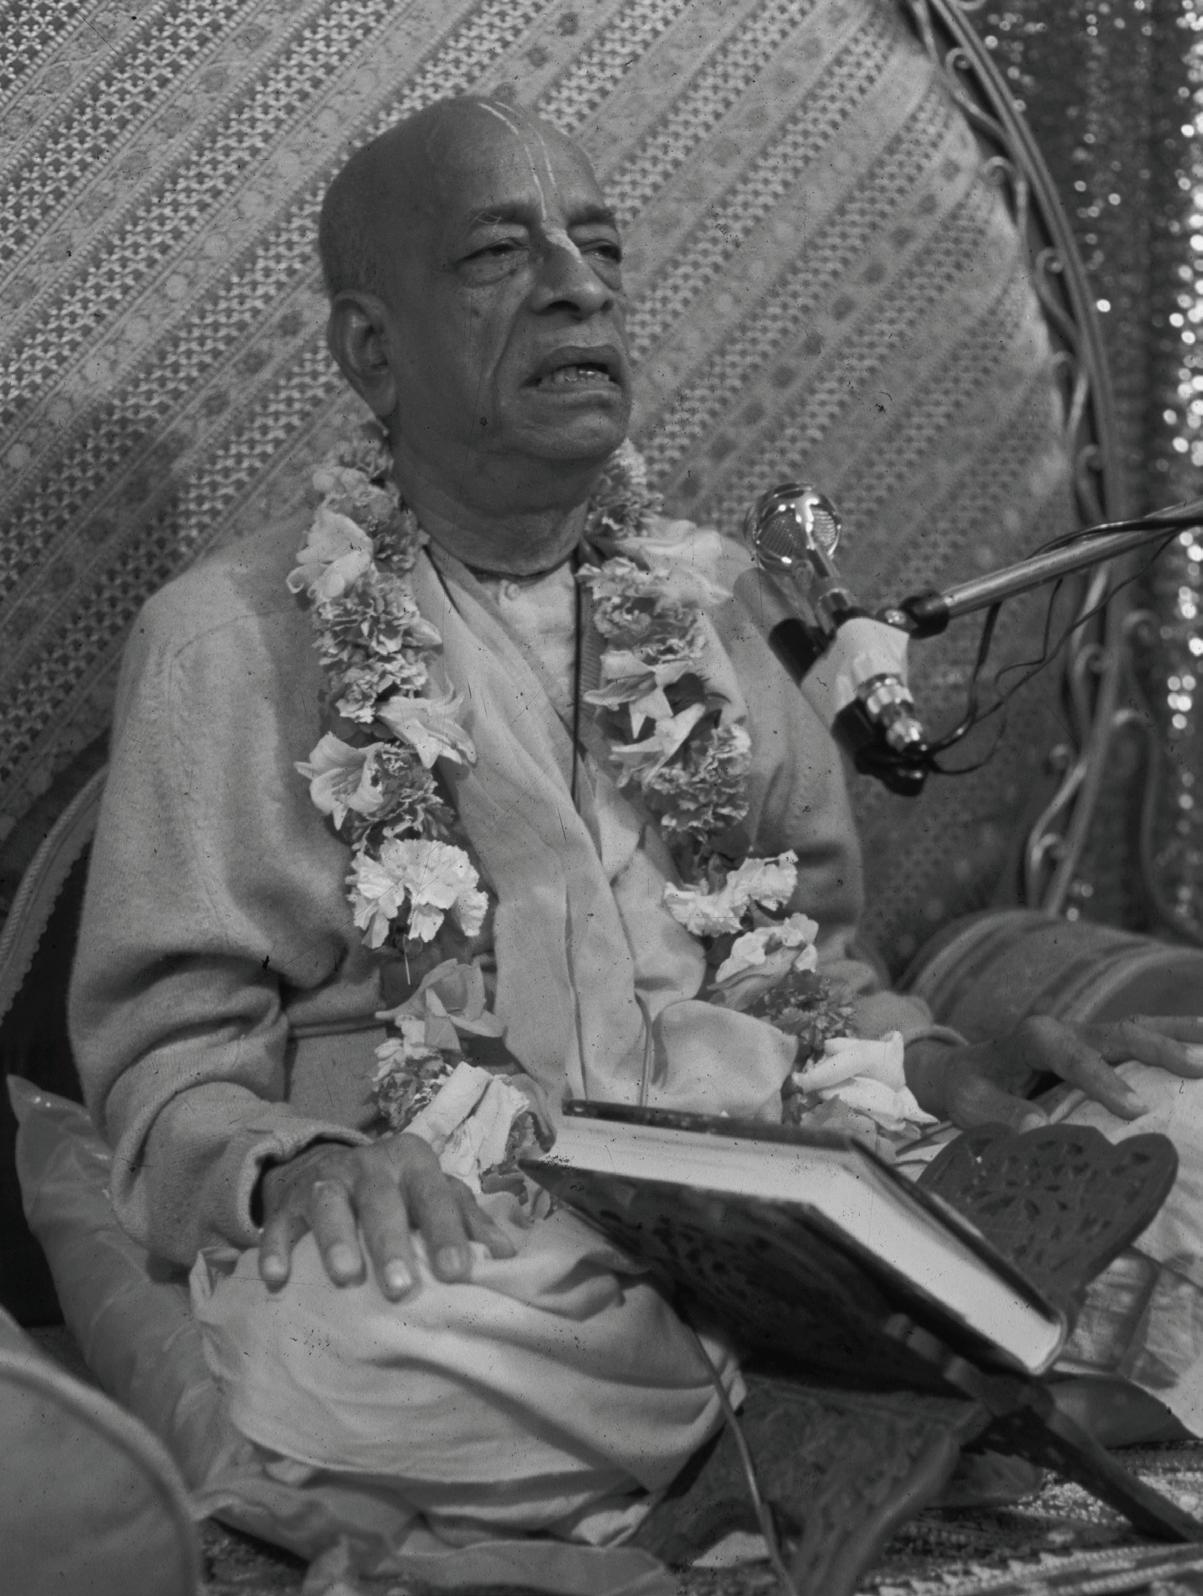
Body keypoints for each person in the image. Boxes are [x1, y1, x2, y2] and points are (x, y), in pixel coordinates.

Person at [69, 93, 1203, 1559]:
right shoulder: (223, 643)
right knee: (348, 1345)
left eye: (597, 247)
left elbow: (815, 972)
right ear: (371, 350)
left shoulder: (715, 606)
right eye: (501, 253)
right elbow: (167, 1067)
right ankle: (897, 1385)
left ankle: (835, 1383)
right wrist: (302, 1168)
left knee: (1177, 1130)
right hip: (491, 1231)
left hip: (797, 1174)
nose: (580, 287)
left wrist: (953, 1067)